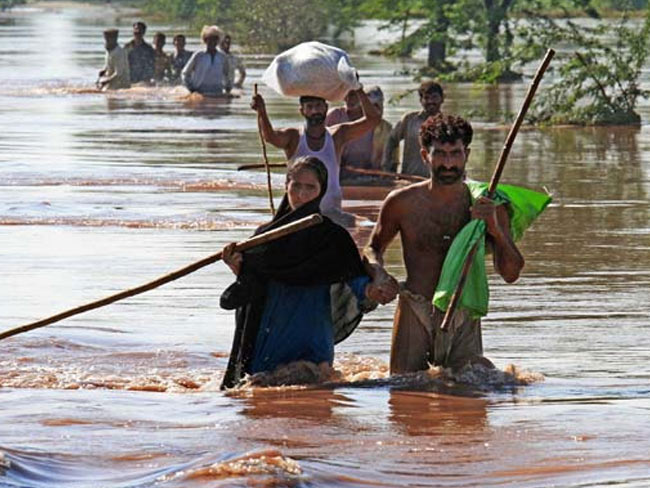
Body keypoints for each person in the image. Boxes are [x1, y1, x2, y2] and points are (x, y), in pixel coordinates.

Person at [365, 114, 524, 374]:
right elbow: (372, 248)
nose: (448, 163)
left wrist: (494, 229)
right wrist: (378, 274)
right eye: (440, 154)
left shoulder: (487, 203)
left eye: (455, 154)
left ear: (467, 155)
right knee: (404, 392)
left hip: (463, 309)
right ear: (425, 156)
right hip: (415, 306)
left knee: (472, 394)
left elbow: (511, 273)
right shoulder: (401, 202)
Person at [220, 156, 397, 389]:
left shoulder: (333, 237)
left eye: (310, 187)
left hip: (311, 335)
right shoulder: (264, 236)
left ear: (321, 191)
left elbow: (354, 278)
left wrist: (372, 290)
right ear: (286, 186)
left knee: (314, 391)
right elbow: (252, 285)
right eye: (296, 186)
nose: (302, 195)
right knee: (259, 394)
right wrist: (238, 267)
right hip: (270, 337)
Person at [250, 88, 380, 222]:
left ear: (326, 108)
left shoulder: (337, 135)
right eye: (310, 107)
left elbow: (373, 120)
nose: (314, 111)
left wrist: (358, 90)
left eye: (318, 106)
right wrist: (262, 111)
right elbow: (270, 136)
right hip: (299, 213)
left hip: (331, 214)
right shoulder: (294, 137)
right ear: (302, 111)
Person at [325, 86, 395, 178]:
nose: (350, 100)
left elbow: (390, 160)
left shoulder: (385, 127)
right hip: (337, 173)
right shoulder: (335, 116)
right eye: (348, 96)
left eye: (354, 96)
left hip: (370, 176)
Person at [382, 81, 444, 177]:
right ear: (421, 100)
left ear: (442, 99)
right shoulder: (409, 120)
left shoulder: (447, 124)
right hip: (409, 178)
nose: (431, 101)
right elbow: (391, 140)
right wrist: (388, 168)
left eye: (434, 97)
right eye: (426, 98)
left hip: (438, 181)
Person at [182, 25, 231, 96]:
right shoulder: (198, 55)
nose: (212, 41)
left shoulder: (222, 56)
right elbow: (185, 73)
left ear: (218, 40)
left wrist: (228, 89)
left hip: (217, 93)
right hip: (199, 92)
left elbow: (227, 74)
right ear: (205, 40)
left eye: (215, 39)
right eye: (209, 39)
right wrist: (191, 89)